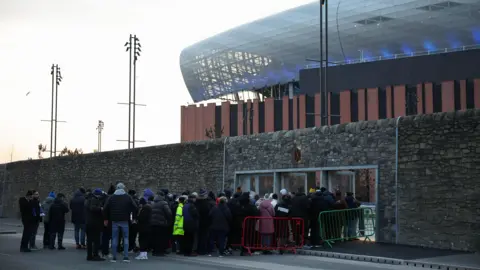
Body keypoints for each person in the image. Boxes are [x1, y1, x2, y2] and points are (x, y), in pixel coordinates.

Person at [103, 182, 138, 263]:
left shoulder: (111, 197)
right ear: (123, 188)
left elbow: (105, 208)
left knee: (114, 238)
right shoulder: (128, 197)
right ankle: (126, 257)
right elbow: (135, 207)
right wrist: (134, 217)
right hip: (125, 220)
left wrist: (106, 219)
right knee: (126, 238)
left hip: (114, 220)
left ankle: (114, 257)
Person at [85, 189, 105, 261]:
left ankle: (89, 256)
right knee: (96, 240)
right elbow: (93, 208)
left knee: (89, 240)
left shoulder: (88, 199)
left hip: (89, 222)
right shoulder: (94, 199)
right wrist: (101, 208)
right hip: (95, 223)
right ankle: (95, 255)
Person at [150, 192, 172, 257]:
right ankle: (160, 252)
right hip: (161, 223)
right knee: (161, 238)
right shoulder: (163, 203)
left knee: (155, 238)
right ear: (163, 196)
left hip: (153, 223)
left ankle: (155, 251)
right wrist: (169, 221)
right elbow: (169, 213)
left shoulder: (153, 203)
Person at [195, 189, 213, 255]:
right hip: (205, 222)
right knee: (204, 237)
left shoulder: (196, 203)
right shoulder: (207, 203)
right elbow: (209, 213)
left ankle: (198, 249)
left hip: (198, 222)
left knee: (198, 236)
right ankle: (202, 250)